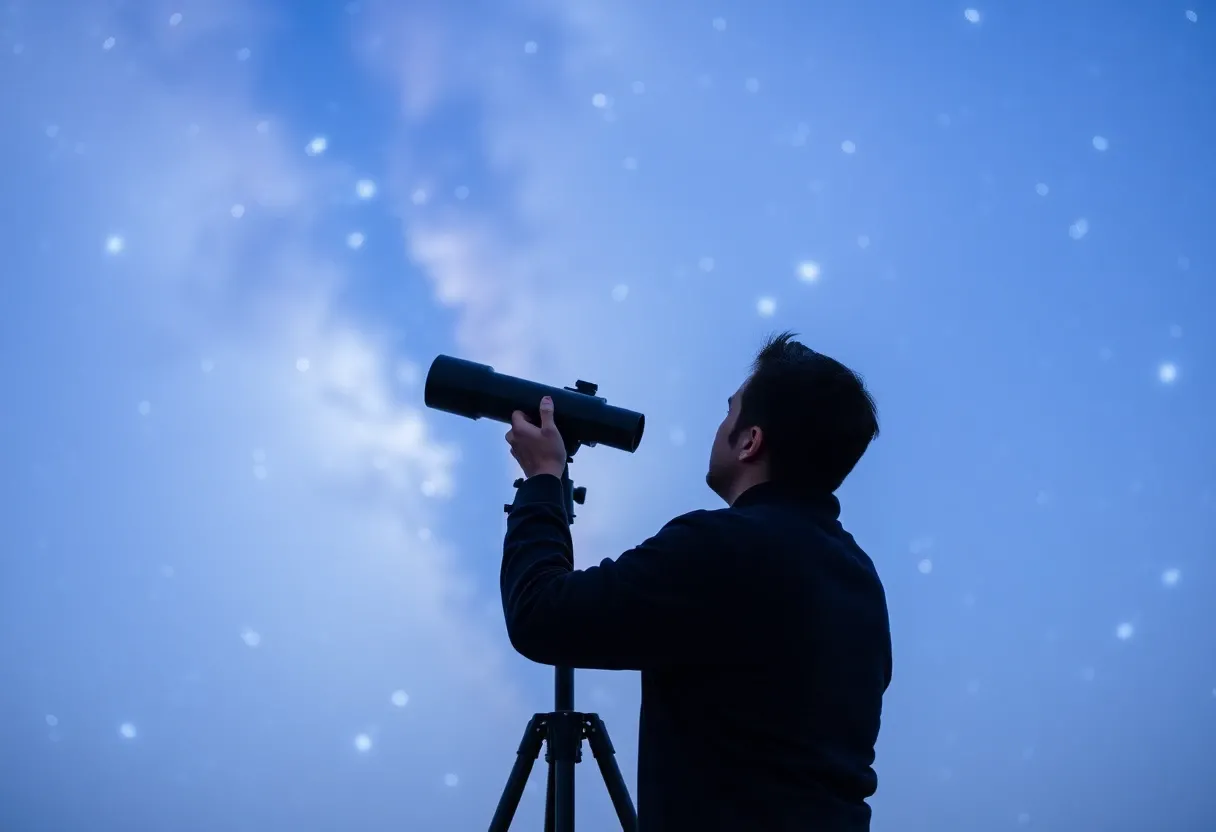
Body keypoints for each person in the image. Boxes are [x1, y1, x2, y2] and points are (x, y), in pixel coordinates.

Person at [502, 331, 891, 831]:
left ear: (750, 441)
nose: (718, 427)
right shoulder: (860, 580)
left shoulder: (718, 548)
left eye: (728, 413)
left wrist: (542, 479)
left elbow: (540, 615)